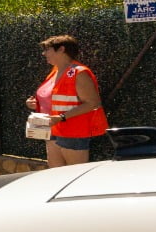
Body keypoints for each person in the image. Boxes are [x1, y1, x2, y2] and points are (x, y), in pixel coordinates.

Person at [26, 34, 107, 167]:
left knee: (74, 176)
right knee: (56, 174)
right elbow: (52, 96)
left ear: (61, 49)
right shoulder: (55, 71)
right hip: (53, 129)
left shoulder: (79, 72)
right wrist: (33, 103)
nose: (44, 53)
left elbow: (93, 103)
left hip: (73, 132)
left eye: (47, 50)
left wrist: (61, 117)